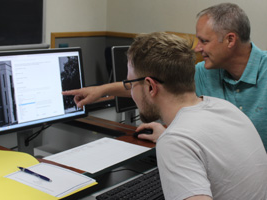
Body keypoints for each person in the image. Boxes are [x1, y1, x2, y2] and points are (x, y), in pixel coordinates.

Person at [63, 3, 267, 151]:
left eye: (204, 41)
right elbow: (151, 82)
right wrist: (102, 90)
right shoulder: (207, 71)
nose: (198, 48)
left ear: (230, 40)